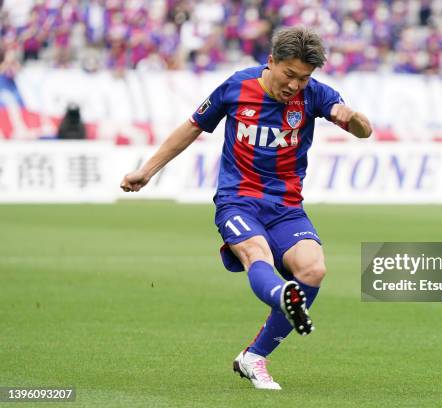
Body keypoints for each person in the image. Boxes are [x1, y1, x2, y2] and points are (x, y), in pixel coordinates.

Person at [120, 26, 372, 390]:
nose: (295, 86)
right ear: (271, 61)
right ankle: (284, 296)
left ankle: (254, 356)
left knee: (314, 269)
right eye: (289, 75)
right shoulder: (237, 87)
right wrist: (146, 170)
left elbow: (359, 129)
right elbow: (191, 128)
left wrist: (355, 119)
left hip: (286, 206)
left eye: (303, 79)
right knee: (258, 253)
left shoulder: (316, 95)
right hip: (237, 200)